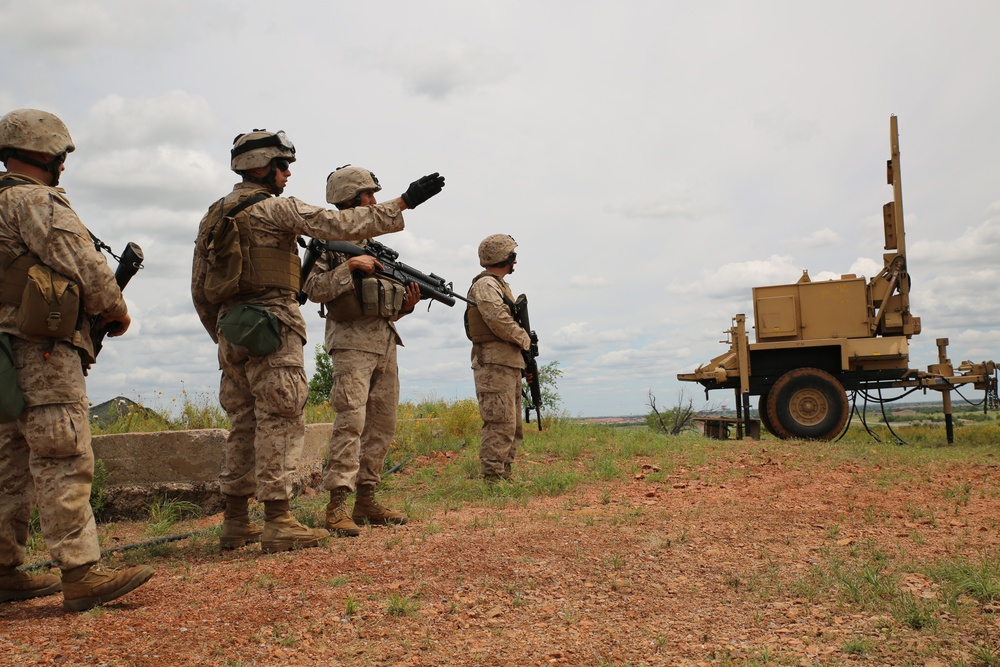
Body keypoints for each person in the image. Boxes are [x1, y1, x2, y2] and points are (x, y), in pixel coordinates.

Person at [192, 131, 443, 553]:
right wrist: (402, 203)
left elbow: (199, 287)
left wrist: (221, 332)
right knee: (282, 420)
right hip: (272, 322)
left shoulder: (214, 215)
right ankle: (278, 520)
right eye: (282, 165)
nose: (288, 173)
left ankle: (236, 520)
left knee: (244, 425)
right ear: (261, 166)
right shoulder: (276, 209)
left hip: (232, 328)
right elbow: (337, 224)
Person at [0, 109, 154, 611]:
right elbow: (82, 262)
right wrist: (115, 309)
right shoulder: (34, 201)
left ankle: (3, 570)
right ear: (49, 154)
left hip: (1, 354)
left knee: (8, 463)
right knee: (62, 451)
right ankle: (82, 573)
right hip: (38, 348)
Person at [302, 166, 418, 537]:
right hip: (351, 344)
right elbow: (313, 288)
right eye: (368, 196)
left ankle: (366, 499)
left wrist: (406, 307)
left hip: (384, 341)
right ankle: (336, 505)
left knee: (382, 425)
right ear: (350, 199)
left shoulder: (375, 248)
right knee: (350, 423)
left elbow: (379, 302)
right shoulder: (328, 243)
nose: (373, 202)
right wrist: (350, 266)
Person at [464, 234, 531, 482]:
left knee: (512, 425)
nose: (515, 261)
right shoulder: (485, 285)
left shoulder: (500, 285)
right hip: (493, 364)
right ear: (506, 257)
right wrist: (524, 339)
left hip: (507, 362)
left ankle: (504, 471)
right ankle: (492, 477)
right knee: (498, 421)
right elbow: (498, 319)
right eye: (513, 256)